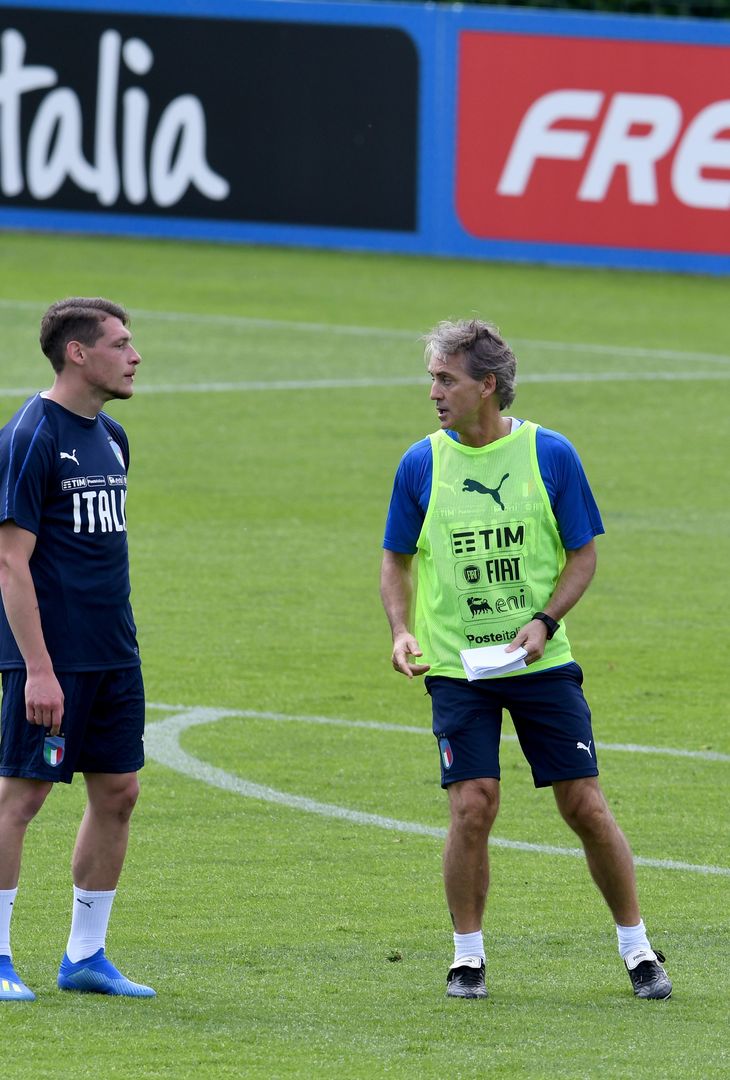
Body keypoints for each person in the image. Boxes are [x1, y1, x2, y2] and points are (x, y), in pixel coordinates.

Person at [380, 318, 671, 1001]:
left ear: (488, 385)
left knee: (585, 806)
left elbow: (583, 554)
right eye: (431, 378)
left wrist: (545, 622)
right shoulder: (421, 463)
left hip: (540, 663)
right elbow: (396, 558)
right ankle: (467, 956)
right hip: (457, 669)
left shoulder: (551, 454)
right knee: (471, 807)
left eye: (446, 379)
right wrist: (400, 630)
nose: (433, 392)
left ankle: (637, 948)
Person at [0, 297, 155, 1001]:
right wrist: (36, 668)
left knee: (118, 791)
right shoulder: (29, 436)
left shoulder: (114, 437)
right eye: (121, 343)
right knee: (21, 798)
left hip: (114, 652)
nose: (135, 355)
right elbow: (11, 563)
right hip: (52, 660)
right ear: (77, 353)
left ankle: (85, 957)